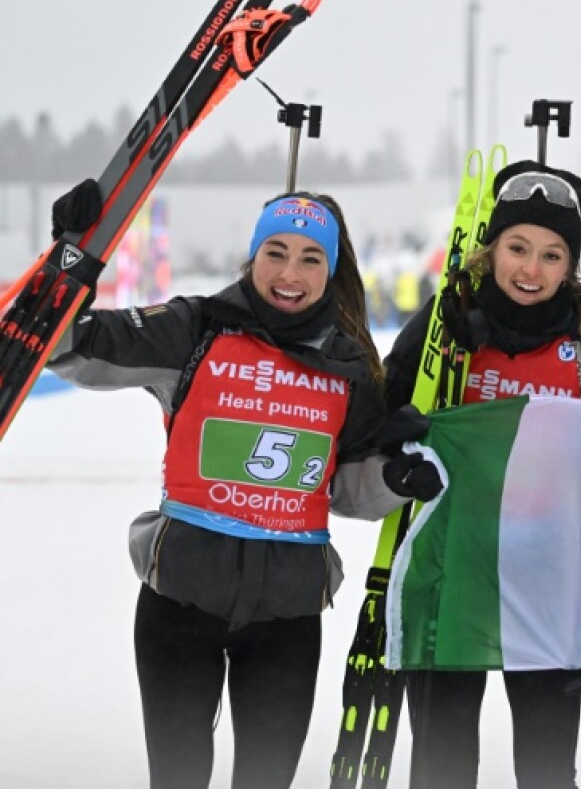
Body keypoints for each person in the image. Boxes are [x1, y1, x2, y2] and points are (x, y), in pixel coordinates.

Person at [46, 183, 444, 789]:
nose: (290, 273)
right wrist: (71, 259)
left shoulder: (348, 365)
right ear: (252, 256)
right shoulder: (195, 329)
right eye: (275, 252)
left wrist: (395, 478)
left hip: (285, 621)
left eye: (311, 258)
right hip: (179, 604)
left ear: (331, 271)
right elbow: (71, 345)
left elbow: (347, 489)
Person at [382, 159, 581, 789]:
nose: (530, 270)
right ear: (491, 250)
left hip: (545, 583)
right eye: (517, 247)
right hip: (449, 572)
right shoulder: (445, 328)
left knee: (545, 771)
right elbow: (374, 415)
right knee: (442, 767)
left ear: (571, 267)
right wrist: (398, 453)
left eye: (550, 254)